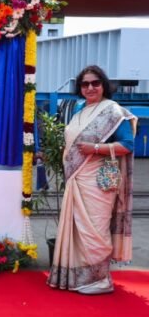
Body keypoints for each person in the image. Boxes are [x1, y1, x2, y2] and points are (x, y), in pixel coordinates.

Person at [47, 65, 137, 295]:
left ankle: (101, 280)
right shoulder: (79, 111)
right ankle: (76, 277)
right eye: (85, 84)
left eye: (95, 83)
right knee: (78, 230)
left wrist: (95, 148)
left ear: (103, 85)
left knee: (95, 230)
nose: (90, 88)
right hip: (76, 179)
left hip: (97, 182)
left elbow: (127, 145)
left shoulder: (113, 112)